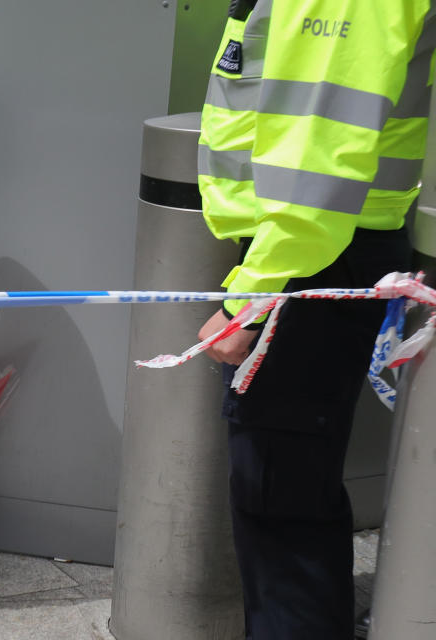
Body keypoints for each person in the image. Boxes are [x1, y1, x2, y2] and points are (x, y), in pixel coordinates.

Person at [195, 2, 433, 639]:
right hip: (312, 249)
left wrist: (250, 295)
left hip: (310, 254)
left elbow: (317, 166)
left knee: (279, 497)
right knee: (290, 489)